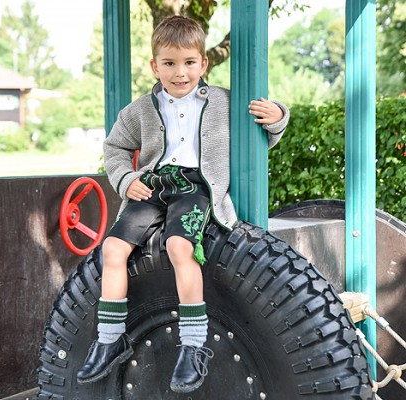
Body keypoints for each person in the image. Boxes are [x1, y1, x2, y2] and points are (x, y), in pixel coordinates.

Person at [76, 15, 289, 393]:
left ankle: (193, 346)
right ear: (154, 66)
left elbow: (260, 139)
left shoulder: (223, 102)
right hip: (154, 186)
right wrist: (127, 180)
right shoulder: (141, 109)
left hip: (196, 187)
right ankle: (110, 338)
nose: (180, 73)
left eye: (189, 62)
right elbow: (115, 148)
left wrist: (278, 119)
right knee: (111, 249)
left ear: (203, 63)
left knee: (179, 246)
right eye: (170, 64)